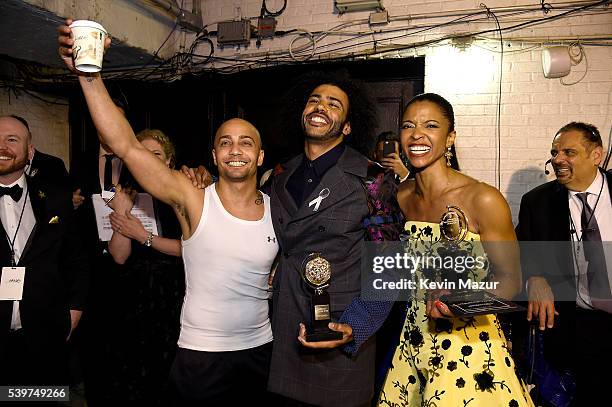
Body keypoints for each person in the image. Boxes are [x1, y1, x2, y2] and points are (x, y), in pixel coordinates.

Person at [59, 20, 279, 405]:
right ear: (214, 155)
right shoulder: (192, 198)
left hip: (262, 349)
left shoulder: (279, 210)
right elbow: (125, 145)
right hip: (201, 355)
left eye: (246, 142)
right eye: (225, 142)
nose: (235, 149)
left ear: (260, 156)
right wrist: (89, 76)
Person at [377, 93, 533, 406]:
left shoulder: (483, 199)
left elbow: (511, 280)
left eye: (430, 125)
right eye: (409, 126)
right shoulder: (403, 197)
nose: (417, 134)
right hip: (414, 339)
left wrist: (460, 303)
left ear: (450, 138)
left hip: (469, 346)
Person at [267, 73, 403, 406]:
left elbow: (388, 265)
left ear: (346, 127)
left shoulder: (374, 179)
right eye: (314, 99)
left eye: (333, 103)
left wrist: (355, 326)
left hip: (338, 332)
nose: (320, 106)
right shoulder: (280, 174)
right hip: (282, 332)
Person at [515, 122, 611, 406]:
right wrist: (535, 277)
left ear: (596, 155)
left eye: (569, 152)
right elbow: (519, 252)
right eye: (554, 152)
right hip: (575, 332)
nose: (557, 160)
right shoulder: (537, 202)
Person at [0, 115, 89, 385]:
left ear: (29, 152)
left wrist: (74, 311)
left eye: (11, 139)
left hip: (45, 336)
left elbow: (77, 258)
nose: (2, 146)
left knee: (46, 397)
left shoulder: (56, 198)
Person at [105, 129, 184, 405]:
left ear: (169, 161)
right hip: (132, 299)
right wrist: (122, 212)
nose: (149, 160)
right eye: (142, 154)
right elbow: (118, 256)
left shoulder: (183, 198)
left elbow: (194, 249)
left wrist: (146, 237)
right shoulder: (124, 195)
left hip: (175, 297)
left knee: (168, 376)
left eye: (156, 155)